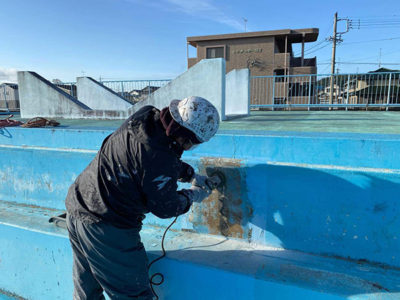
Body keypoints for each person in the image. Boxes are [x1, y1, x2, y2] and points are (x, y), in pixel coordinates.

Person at [65, 96, 220, 299]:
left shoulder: (145, 117)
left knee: (88, 293)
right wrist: (193, 196)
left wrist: (190, 174)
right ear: (185, 138)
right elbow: (165, 207)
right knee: (133, 295)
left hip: (78, 205)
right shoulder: (159, 158)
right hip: (107, 224)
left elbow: (152, 159)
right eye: (192, 144)